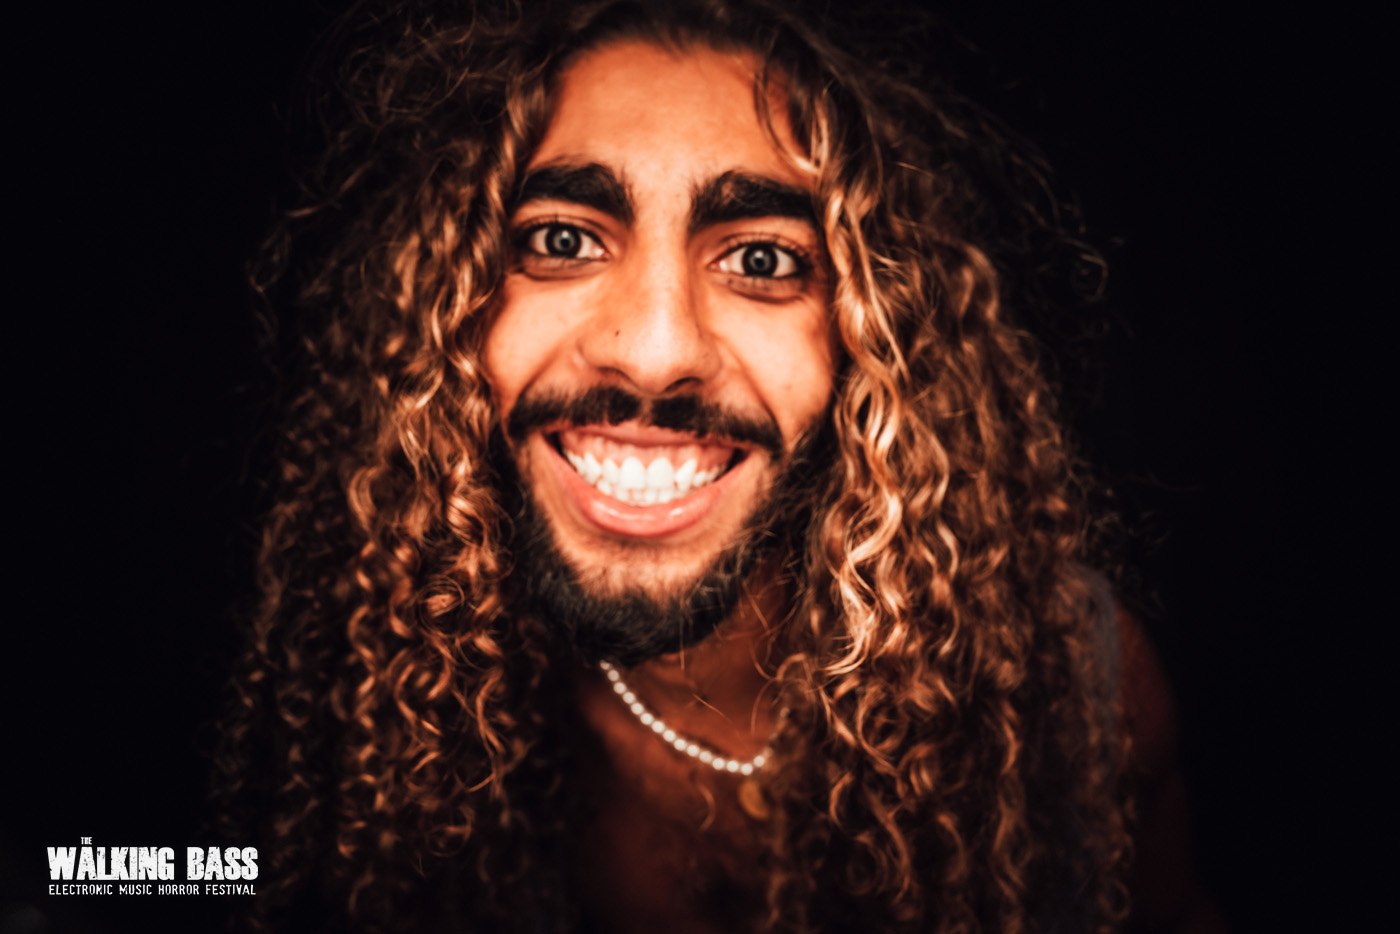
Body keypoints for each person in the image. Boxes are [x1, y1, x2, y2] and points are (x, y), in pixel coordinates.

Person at [217, 1, 1221, 930]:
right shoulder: (371, 680)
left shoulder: (1063, 688)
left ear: (871, 340)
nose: (656, 354)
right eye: (562, 239)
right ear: (449, 308)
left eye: (762, 260)